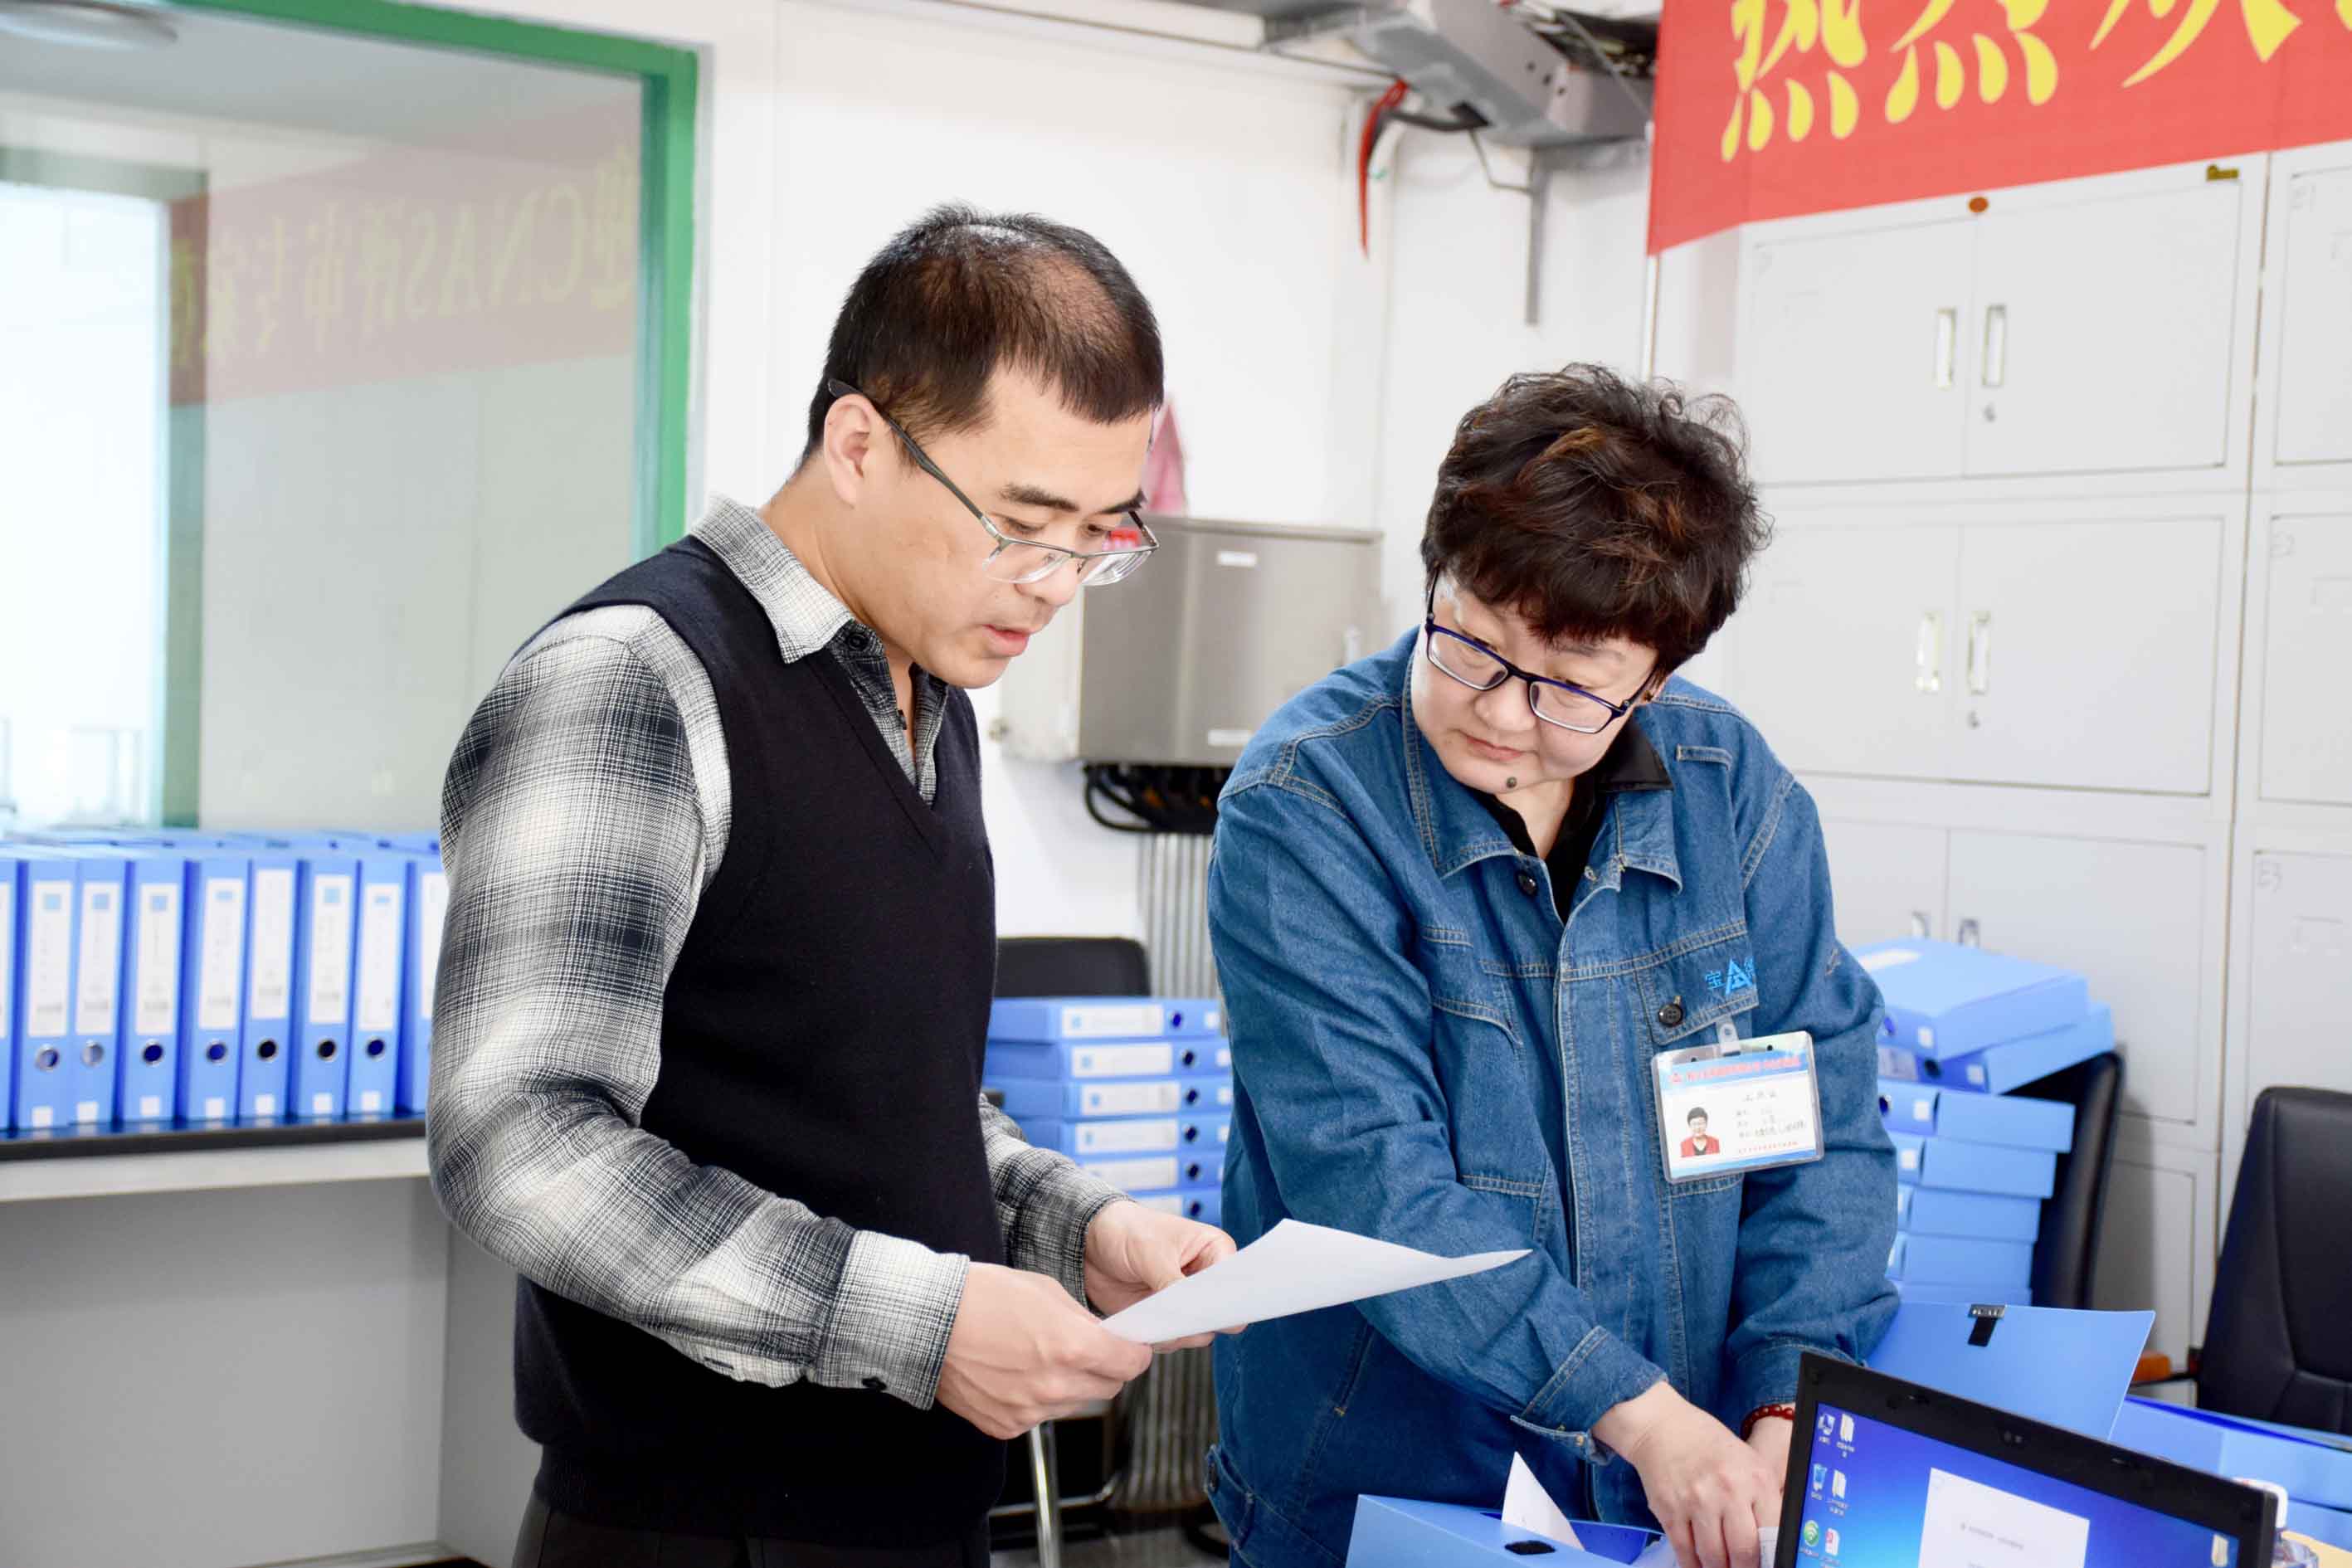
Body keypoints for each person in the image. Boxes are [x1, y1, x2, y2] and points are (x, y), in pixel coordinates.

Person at [427, 206, 1235, 1568]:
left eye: (1098, 535)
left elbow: (885, 1100)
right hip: (699, 1529)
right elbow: (522, 1139)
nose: (1057, 585)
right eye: (1020, 525)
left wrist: (1072, 1226)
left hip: (915, 1515)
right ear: (859, 443)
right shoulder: (639, 680)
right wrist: (924, 1323)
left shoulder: (932, 690)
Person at [1205, 365, 1898, 1568]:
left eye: (1571, 684)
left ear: (1654, 680)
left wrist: (1787, 1401)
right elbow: (1374, 1185)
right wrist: (1638, 1412)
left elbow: (1817, 1138)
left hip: (1674, 1500)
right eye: (1473, 644)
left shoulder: (1733, 797)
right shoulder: (1308, 803)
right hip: (1392, 1491)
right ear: (1435, 576)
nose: (1503, 713)